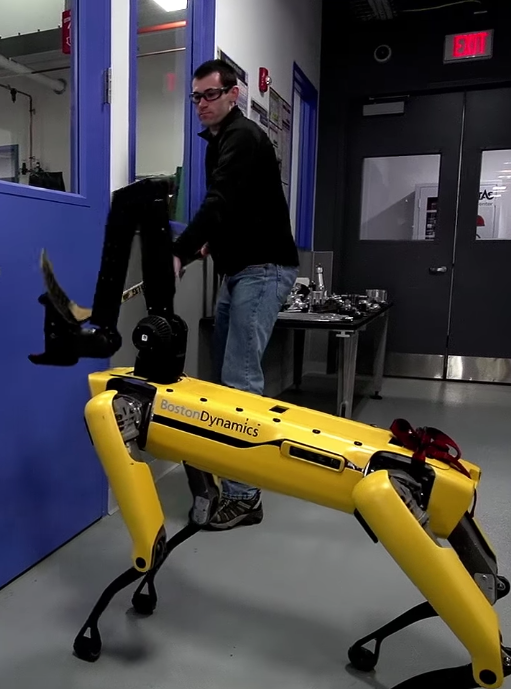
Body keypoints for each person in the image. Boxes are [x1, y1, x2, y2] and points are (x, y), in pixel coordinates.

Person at [172, 59, 299, 531]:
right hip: (241, 271)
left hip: (263, 271)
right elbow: (237, 206)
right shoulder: (221, 141)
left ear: (233, 93)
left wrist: (179, 250)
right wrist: (210, 242)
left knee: (241, 381)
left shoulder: (243, 136)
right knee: (227, 379)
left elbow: (221, 199)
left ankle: (246, 497)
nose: (202, 104)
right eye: (196, 97)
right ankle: (232, 472)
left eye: (210, 94)